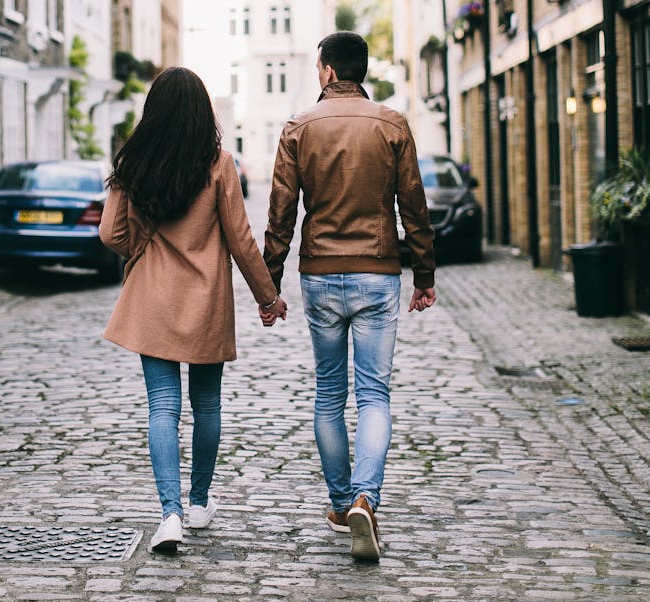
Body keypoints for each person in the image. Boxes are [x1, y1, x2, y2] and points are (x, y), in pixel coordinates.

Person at [263, 31, 435, 562]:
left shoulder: (299, 127)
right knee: (375, 395)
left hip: (320, 274)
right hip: (378, 272)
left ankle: (341, 503)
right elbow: (414, 205)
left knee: (329, 393)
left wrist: (270, 283)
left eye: (319, 67)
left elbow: (281, 212)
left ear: (330, 71)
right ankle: (366, 496)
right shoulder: (392, 125)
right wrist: (424, 274)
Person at [100, 66, 287, 553]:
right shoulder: (219, 163)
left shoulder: (134, 161)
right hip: (205, 300)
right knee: (206, 406)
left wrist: (142, 243)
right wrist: (268, 297)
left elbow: (110, 235)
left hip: (152, 300)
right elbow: (242, 240)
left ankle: (170, 514)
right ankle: (200, 500)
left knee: (162, 407)